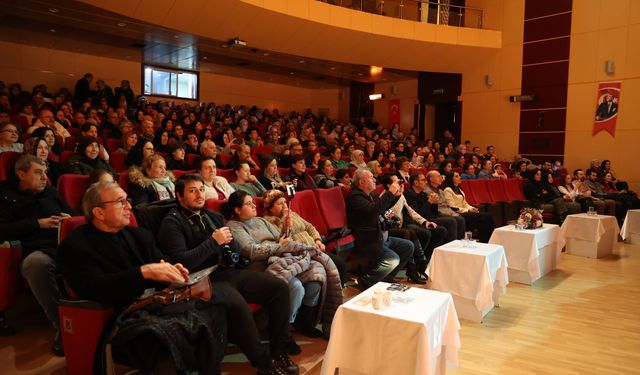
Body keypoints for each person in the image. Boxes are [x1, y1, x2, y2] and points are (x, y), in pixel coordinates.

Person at [154, 175, 300, 374]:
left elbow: (234, 249)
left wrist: (232, 249)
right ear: (179, 196)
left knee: (279, 288)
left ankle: (279, 350)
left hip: (225, 272)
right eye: (192, 190)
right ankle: (264, 364)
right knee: (238, 304)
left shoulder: (212, 217)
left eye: (201, 189)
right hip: (200, 281)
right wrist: (213, 243)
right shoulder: (172, 223)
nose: (199, 194)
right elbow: (183, 263)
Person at [225, 191, 340, 340]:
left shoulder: (261, 221)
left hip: (283, 260)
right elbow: (251, 251)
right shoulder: (234, 226)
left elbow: (283, 239)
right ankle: (284, 329)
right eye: (248, 204)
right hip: (261, 267)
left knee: (316, 278)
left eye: (253, 202)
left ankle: (304, 323)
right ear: (237, 209)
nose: (254, 205)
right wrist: (279, 246)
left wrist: (286, 229)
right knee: (296, 287)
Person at [0, 155, 76, 356]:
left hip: (63, 243)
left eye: (45, 172)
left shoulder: (51, 191)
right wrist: (37, 224)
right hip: (33, 249)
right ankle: (63, 326)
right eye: (38, 172)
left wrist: (69, 219)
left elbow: (74, 214)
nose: (45, 177)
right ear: (21, 174)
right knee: (37, 264)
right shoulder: (4, 194)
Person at [261, 189, 344, 337]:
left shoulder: (293, 214)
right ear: (271, 208)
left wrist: (318, 240)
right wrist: (286, 225)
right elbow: (283, 242)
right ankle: (305, 322)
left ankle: (325, 310)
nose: (284, 206)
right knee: (318, 279)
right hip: (302, 255)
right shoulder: (269, 222)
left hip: (316, 249)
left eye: (284, 202)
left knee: (340, 266)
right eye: (279, 204)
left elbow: (310, 227)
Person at [346, 169, 414, 289]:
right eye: (371, 178)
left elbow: (382, 207)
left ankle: (386, 278)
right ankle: (366, 281)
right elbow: (373, 211)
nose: (374, 180)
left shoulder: (370, 194)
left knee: (408, 246)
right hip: (369, 240)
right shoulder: (355, 197)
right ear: (362, 182)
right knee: (392, 259)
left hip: (382, 237)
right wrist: (390, 193)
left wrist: (396, 196)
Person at [379, 174, 447, 281]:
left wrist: (424, 222)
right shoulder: (384, 197)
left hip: (398, 226)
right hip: (387, 228)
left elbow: (411, 210)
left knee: (414, 232)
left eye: (401, 183)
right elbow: (385, 214)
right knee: (408, 232)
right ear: (389, 186)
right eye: (397, 183)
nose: (401, 185)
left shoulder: (401, 195)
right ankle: (414, 268)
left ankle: (421, 265)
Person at [441, 171, 495, 242]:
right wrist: (468, 210)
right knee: (480, 217)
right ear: (451, 178)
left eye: (459, 176)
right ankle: (484, 239)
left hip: (465, 211)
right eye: (456, 176)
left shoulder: (459, 189)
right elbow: (452, 207)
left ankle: (489, 239)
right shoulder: (447, 190)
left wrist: (472, 208)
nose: (459, 177)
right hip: (457, 212)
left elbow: (465, 203)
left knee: (488, 215)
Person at [423, 170, 466, 240]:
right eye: (438, 176)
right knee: (455, 220)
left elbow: (446, 206)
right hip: (436, 214)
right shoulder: (427, 191)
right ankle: (452, 244)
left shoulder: (441, 191)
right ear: (431, 179)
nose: (441, 178)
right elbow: (438, 208)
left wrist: (453, 213)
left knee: (460, 218)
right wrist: (451, 214)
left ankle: (460, 241)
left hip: (445, 212)